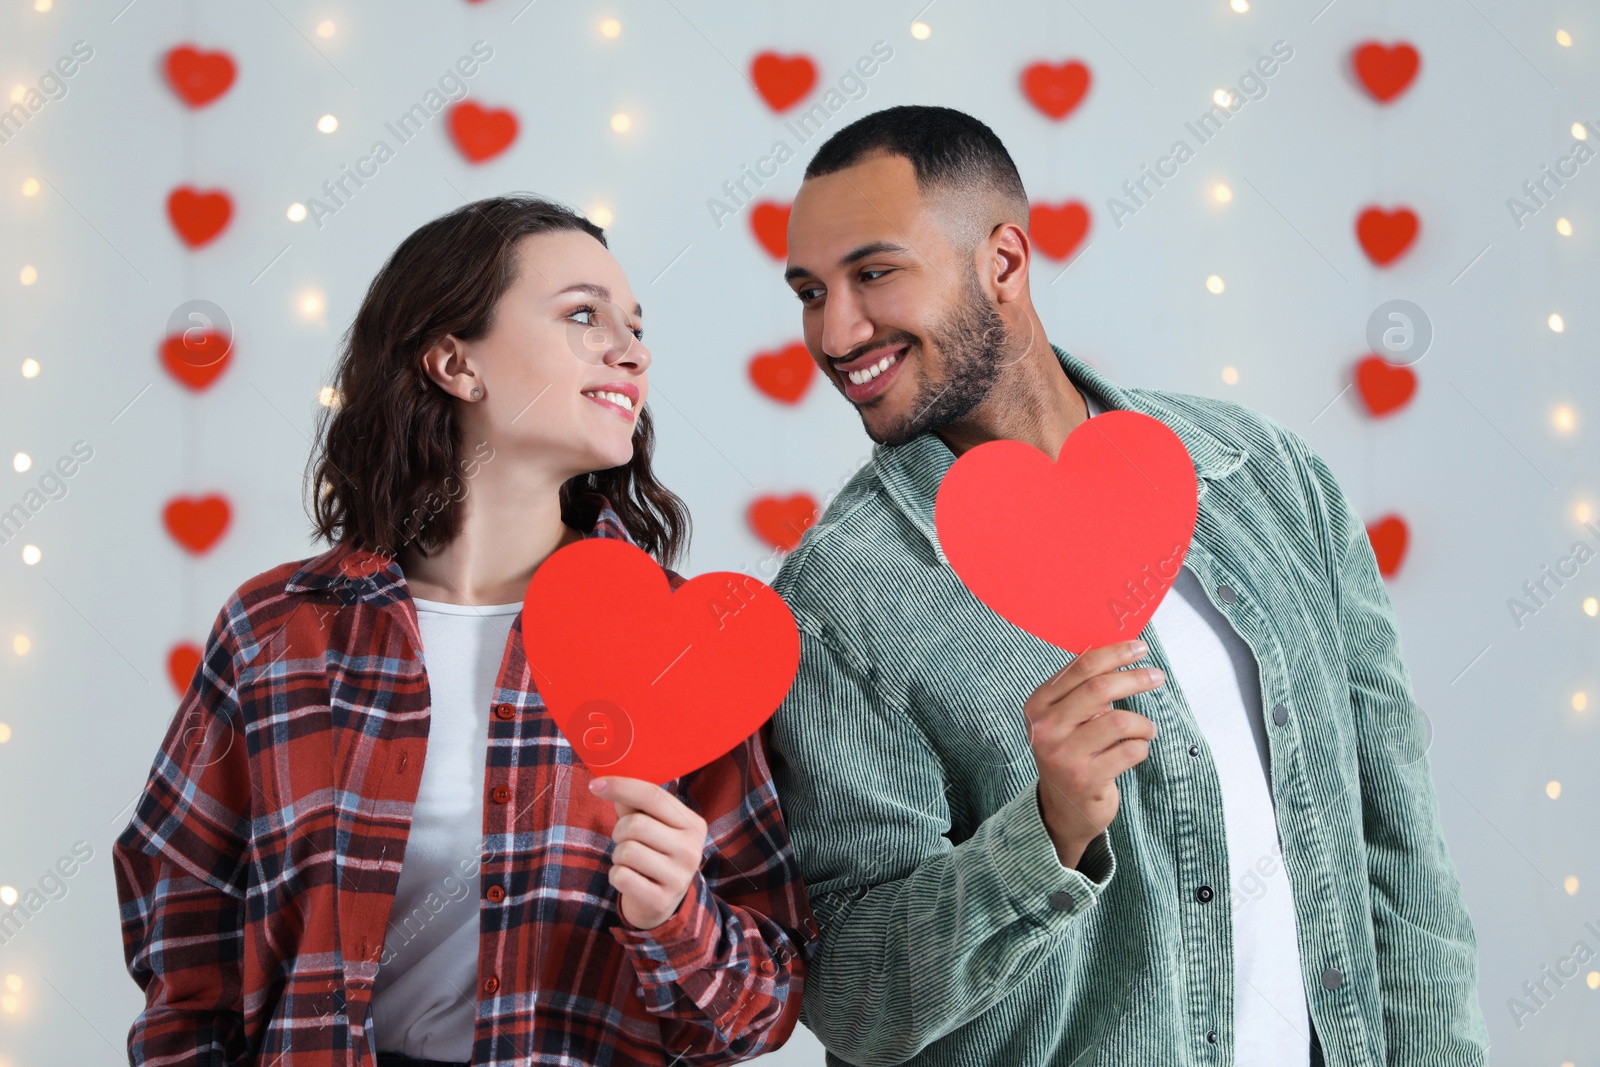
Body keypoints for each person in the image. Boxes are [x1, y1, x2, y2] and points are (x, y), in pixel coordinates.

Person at [766, 105, 1489, 1066]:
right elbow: (852, 999)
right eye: (811, 291)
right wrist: (1046, 835)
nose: (836, 331)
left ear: (1005, 264)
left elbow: (1398, 847)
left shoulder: (1263, 476)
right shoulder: (839, 602)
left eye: (874, 274)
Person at [111, 195, 817, 1067]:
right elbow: (182, 920)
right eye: (583, 315)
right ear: (455, 361)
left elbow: (765, 1008)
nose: (630, 350)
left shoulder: (679, 646)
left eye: (636, 325)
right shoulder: (277, 630)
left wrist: (679, 917)